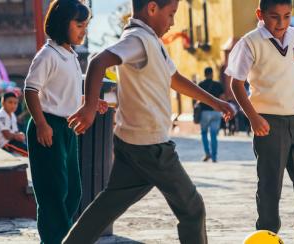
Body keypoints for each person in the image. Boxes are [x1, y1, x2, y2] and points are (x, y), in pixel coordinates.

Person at [64, 0, 235, 243]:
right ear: (152, 8)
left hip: (133, 143)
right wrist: (90, 106)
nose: (173, 21)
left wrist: (215, 102)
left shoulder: (151, 40)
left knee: (106, 207)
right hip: (151, 146)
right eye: (171, 14)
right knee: (192, 209)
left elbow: (174, 79)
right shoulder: (138, 39)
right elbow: (98, 61)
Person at [224, 0, 294, 242]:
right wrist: (253, 117)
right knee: (270, 185)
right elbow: (236, 84)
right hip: (268, 123)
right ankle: (267, 235)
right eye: (274, 17)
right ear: (260, 14)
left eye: (286, 16)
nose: (281, 23)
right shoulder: (250, 42)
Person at [21, 2, 101, 243]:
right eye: (79, 25)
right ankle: (56, 239)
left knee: (72, 192)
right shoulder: (48, 54)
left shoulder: (70, 55)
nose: (83, 31)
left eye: (86, 26)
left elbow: (65, 94)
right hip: (48, 127)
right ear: (60, 23)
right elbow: (31, 90)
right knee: (53, 193)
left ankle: (62, 237)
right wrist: (42, 124)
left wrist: (91, 103)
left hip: (67, 129)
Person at [197, 67, 224, 162]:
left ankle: (207, 153)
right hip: (216, 112)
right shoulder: (218, 85)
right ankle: (214, 157)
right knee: (213, 135)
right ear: (212, 74)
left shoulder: (200, 84)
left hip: (204, 112)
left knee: (204, 133)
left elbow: (197, 98)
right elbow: (222, 98)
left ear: (204, 74)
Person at [0, 92, 28, 156]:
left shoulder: (12, 114)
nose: (13, 105)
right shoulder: (1, 115)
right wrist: (17, 136)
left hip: (12, 142)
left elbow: (15, 131)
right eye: (10, 102)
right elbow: (7, 136)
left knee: (30, 148)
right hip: (5, 144)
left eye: (15, 103)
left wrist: (20, 135)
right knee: (30, 153)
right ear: (3, 103)